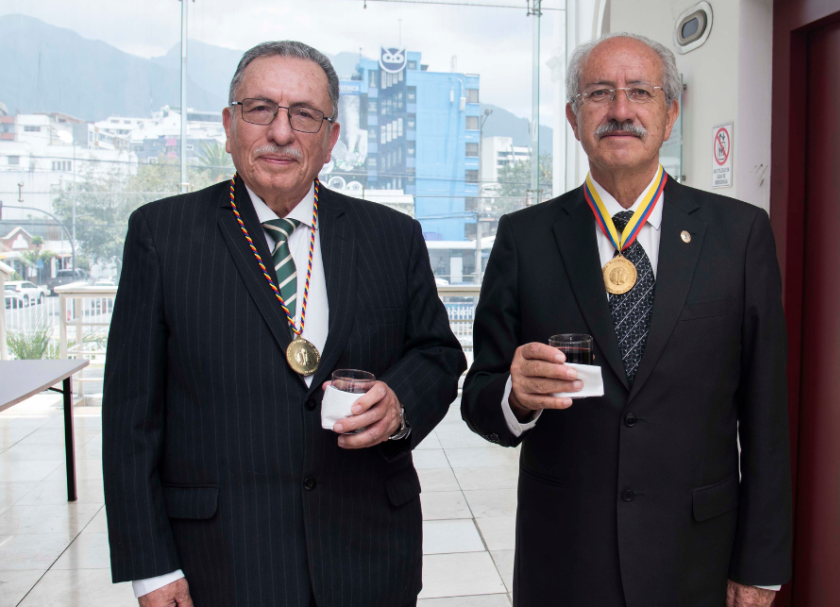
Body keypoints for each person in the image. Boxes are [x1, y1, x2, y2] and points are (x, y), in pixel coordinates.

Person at [103, 40, 467, 607]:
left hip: (368, 553)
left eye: (304, 114)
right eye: (260, 109)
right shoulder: (162, 235)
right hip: (224, 559)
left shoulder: (392, 237)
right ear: (229, 125)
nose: (280, 132)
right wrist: (150, 567)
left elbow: (438, 354)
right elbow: (130, 418)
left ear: (331, 138)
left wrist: (399, 403)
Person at [461, 33, 792, 606]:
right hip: (565, 555)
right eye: (599, 93)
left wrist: (760, 565)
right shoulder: (525, 239)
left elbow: (767, 416)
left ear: (671, 114)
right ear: (573, 118)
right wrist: (515, 397)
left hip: (697, 555)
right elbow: (478, 396)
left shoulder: (739, 235)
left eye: (640, 92)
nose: (620, 110)